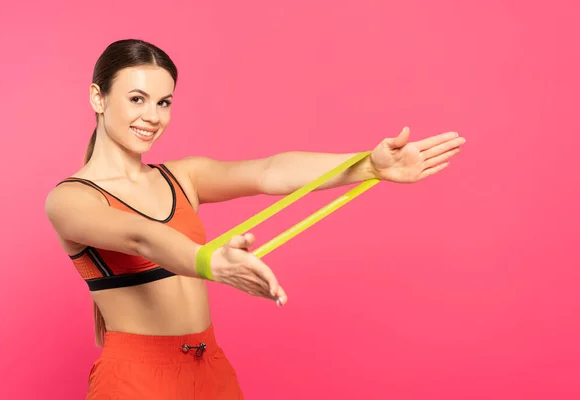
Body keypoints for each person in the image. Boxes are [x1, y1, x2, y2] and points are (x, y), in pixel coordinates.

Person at [45, 38, 465, 399]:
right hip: (135, 377)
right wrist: (207, 261)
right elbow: (140, 236)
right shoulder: (70, 199)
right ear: (98, 98)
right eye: (137, 99)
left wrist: (368, 166)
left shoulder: (182, 177)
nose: (153, 116)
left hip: (209, 366)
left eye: (164, 102)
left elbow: (268, 171)